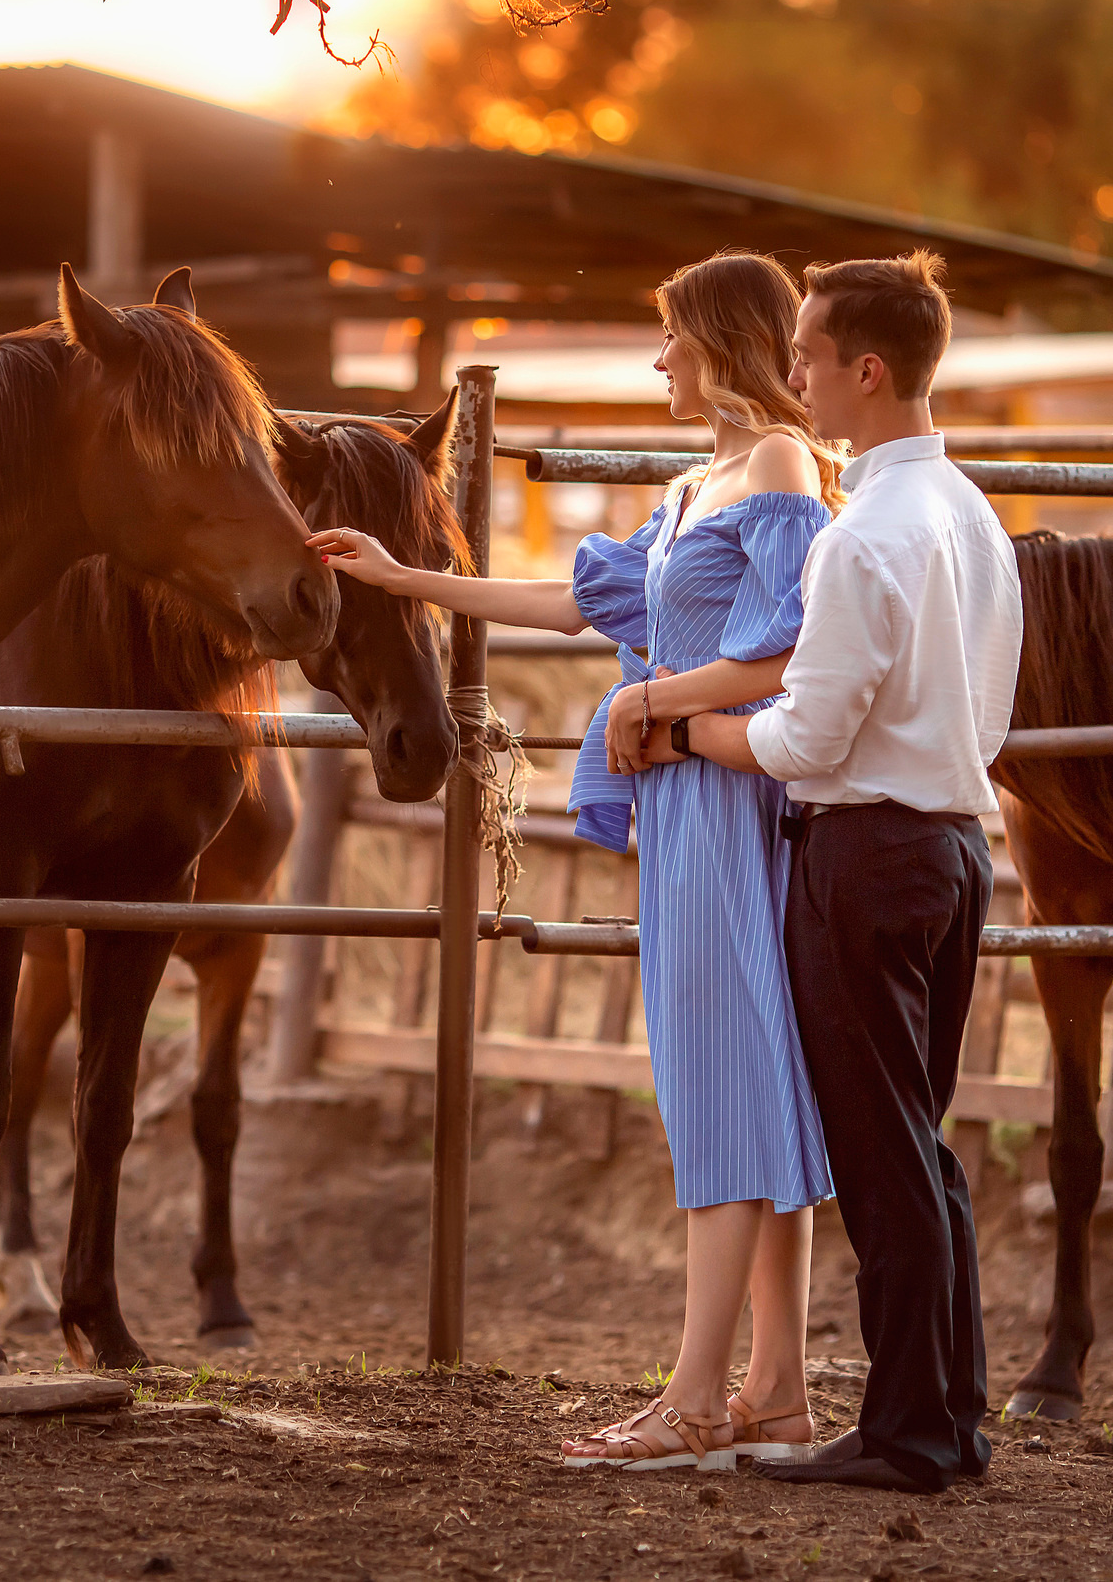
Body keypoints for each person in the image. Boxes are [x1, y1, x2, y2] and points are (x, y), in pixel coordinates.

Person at [310, 251, 840, 1471]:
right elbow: (571, 607)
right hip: (688, 803)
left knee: (722, 1086)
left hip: (728, 798)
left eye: (670, 338)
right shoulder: (696, 481)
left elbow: (788, 657)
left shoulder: (774, 466)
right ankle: (777, 1396)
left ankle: (699, 1401)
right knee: (742, 1084)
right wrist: (403, 580)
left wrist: (648, 701)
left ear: (719, 341)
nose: (658, 361)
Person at [667, 250, 1022, 1494]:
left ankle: (908, 1434)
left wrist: (690, 731)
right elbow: (986, 707)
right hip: (949, 848)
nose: (795, 376)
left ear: (866, 371)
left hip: (866, 853)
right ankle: (946, 1416)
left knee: (881, 1154)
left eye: (811, 357)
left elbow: (803, 737)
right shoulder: (968, 515)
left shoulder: (865, 533)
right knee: (920, 1147)